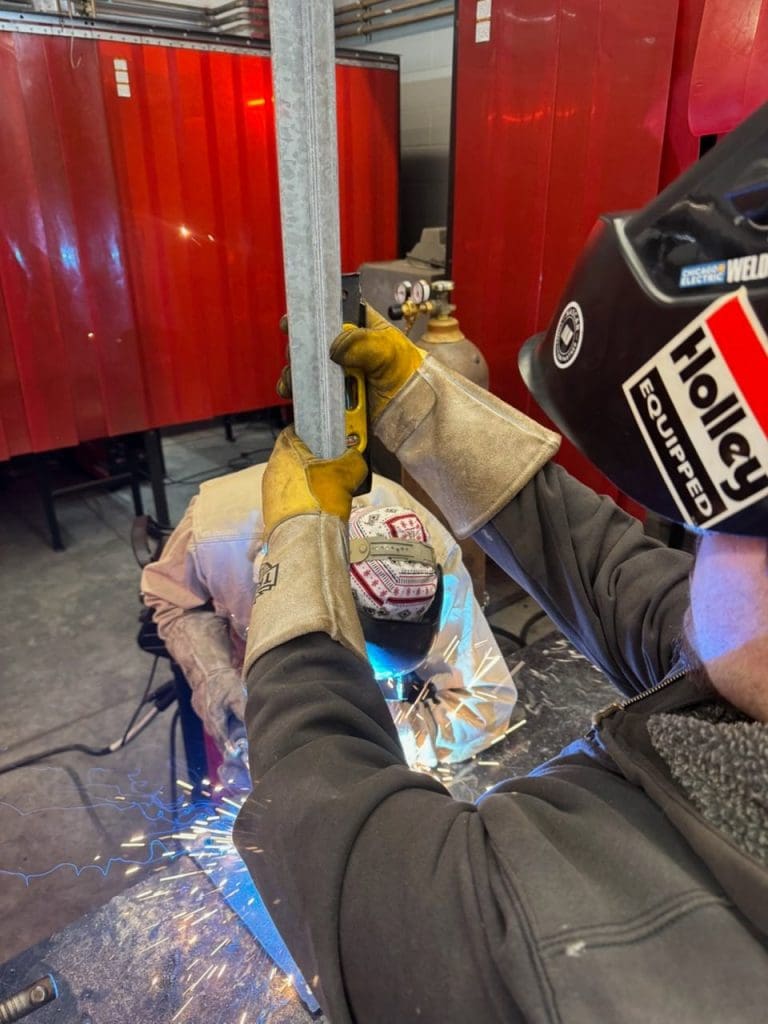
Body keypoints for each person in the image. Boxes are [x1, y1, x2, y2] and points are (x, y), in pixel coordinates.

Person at [232, 99, 768, 1022]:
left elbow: (334, 853)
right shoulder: (748, 700)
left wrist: (296, 554)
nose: (697, 549)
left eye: (719, 529)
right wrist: (419, 406)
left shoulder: (604, 948)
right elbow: (616, 583)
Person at [140, 465, 518, 768]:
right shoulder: (213, 533)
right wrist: (217, 679)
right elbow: (172, 599)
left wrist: (377, 746)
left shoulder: (428, 558)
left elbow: (487, 702)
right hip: (250, 666)